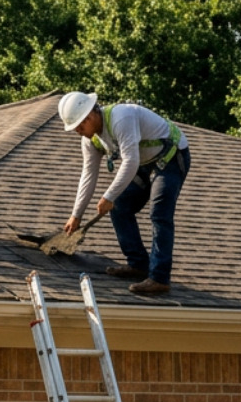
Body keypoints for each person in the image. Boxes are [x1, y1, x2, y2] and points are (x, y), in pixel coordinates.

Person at [58, 91, 191, 295]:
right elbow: (88, 175)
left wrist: (108, 196)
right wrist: (76, 215)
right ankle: (139, 265)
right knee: (120, 207)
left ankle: (159, 278)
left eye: (80, 125)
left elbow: (130, 161)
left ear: (91, 114)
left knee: (160, 214)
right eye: (75, 127)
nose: (78, 131)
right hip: (146, 163)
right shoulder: (90, 140)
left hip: (172, 157)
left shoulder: (122, 118)